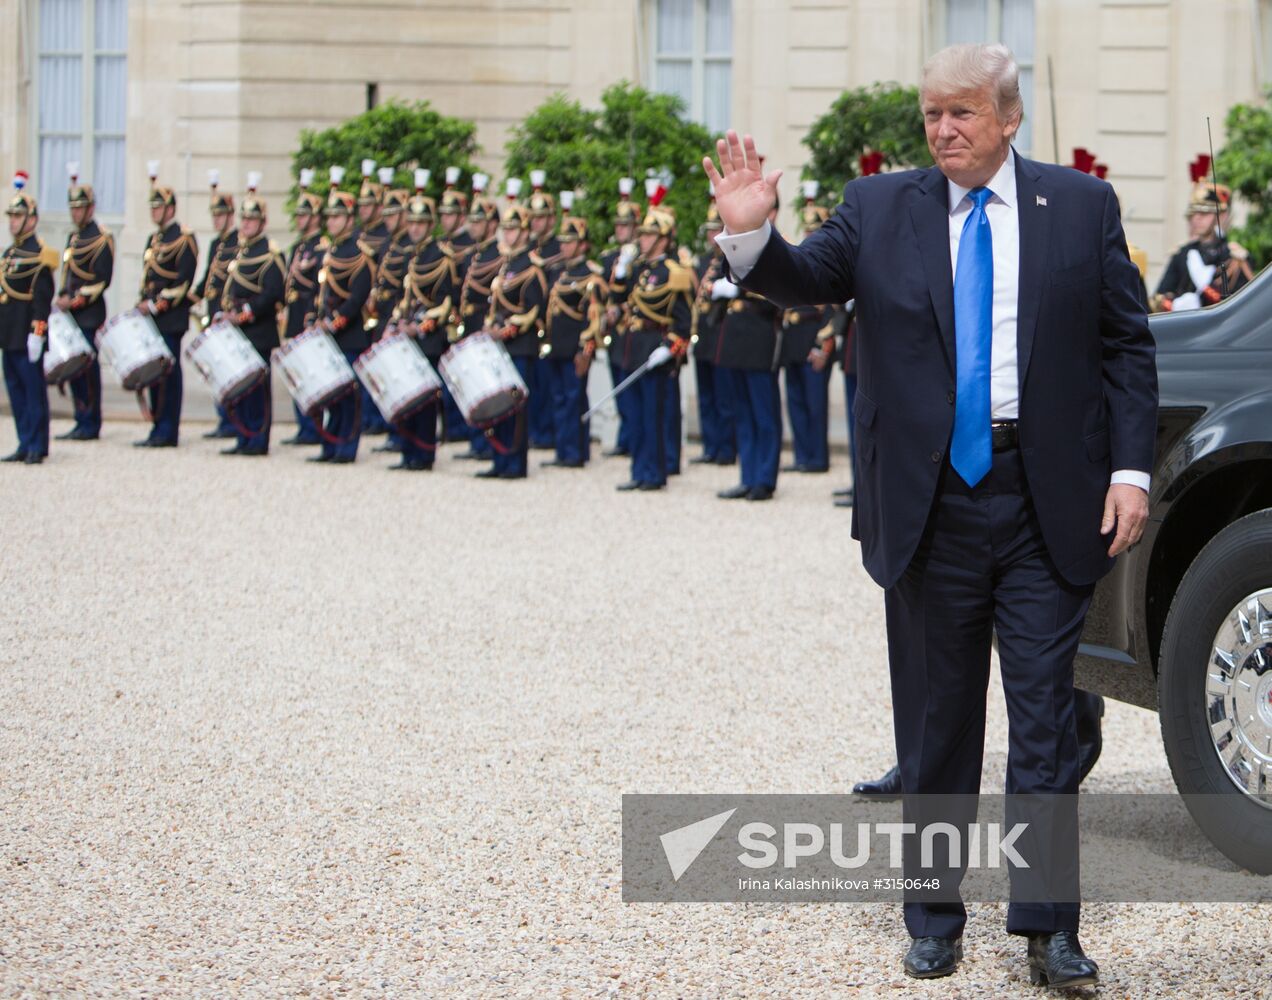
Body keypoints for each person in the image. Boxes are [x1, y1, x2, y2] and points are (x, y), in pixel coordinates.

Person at [706, 42, 1157, 987]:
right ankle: (935, 916)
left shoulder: (1080, 208)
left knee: (1045, 722)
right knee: (938, 722)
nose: (943, 130)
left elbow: (1125, 345)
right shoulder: (880, 207)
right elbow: (804, 276)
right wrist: (751, 239)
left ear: (1007, 117)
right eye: (930, 115)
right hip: (928, 507)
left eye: (961, 113)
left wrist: (1129, 472)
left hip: (1047, 504)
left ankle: (1047, 927)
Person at [613, 197, 693, 492]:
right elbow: (619, 302)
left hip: (655, 345)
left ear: (662, 239)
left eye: (648, 235)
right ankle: (639, 469)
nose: (642, 239)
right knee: (634, 414)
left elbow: (684, 322)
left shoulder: (675, 272)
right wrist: (621, 273)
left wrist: (669, 348)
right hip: (634, 345)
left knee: (652, 415)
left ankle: (655, 472)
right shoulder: (639, 268)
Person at [713, 195, 783, 504]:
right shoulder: (737, 244)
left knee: (763, 411)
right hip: (737, 337)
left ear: (772, 212)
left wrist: (742, 288)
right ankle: (748, 475)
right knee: (742, 410)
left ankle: (764, 479)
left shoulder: (778, 245)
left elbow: (782, 292)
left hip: (759, 336)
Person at [475, 191, 546, 480]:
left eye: (514, 229)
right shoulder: (507, 264)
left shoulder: (531, 267)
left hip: (520, 345)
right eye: (505, 228)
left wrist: (503, 330)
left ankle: (515, 464)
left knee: (515, 409)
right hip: (500, 345)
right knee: (499, 407)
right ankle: (500, 459)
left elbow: (531, 312)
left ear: (526, 232)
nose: (508, 233)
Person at [391, 176, 457, 472]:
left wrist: (418, 326)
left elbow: (443, 304)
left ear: (431, 225)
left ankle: (424, 453)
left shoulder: (440, 257)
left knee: (426, 401)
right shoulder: (411, 255)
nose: (414, 227)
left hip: (427, 337)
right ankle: (408, 452)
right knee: (407, 396)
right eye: (412, 222)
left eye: (420, 223)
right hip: (406, 338)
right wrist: (396, 322)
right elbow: (403, 297)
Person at [217, 174, 284, 456]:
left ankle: (258, 439)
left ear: (262, 223)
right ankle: (244, 436)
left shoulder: (270, 253)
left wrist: (244, 313)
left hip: (258, 330)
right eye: (243, 219)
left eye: (251, 220)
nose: (245, 224)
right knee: (241, 390)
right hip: (239, 332)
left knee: (257, 391)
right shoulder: (241, 251)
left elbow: (271, 294)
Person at [309, 172, 372, 464]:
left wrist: (335, 321)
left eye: (337, 217)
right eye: (329, 217)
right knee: (331, 396)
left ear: (349, 219)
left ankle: (346, 448)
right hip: (329, 335)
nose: (331, 221)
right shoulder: (331, 251)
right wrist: (319, 319)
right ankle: (330, 445)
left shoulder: (359, 253)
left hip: (350, 334)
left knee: (348, 397)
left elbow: (357, 296)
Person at [136, 162, 198, 448]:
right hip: (151, 317)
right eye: (152, 207)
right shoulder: (154, 239)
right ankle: (157, 427)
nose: (155, 212)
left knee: (168, 376)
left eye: (159, 207)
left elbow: (183, 283)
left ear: (171, 209)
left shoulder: (183, 238)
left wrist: (157, 305)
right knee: (153, 376)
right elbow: (148, 276)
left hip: (169, 317)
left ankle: (168, 430)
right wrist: (142, 302)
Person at [55, 162, 114, 442]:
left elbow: (102, 280)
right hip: (71, 314)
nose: (76, 212)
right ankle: (81, 418)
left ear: (90, 208)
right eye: (73, 208)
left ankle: (91, 423)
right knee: (74, 371)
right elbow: (68, 274)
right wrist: (62, 297)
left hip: (89, 313)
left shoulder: (101, 238)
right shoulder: (73, 237)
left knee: (88, 371)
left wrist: (75, 300)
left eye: (80, 207)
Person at [542, 207, 602, 468]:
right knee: (558, 399)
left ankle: (575, 452)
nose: (564, 247)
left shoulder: (591, 276)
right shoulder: (558, 273)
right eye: (563, 242)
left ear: (583, 244)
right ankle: (563, 449)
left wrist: (586, 350)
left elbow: (594, 318)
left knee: (573, 400)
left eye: (570, 242)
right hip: (556, 346)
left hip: (575, 348)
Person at [1, 173, 55, 464]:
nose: (13, 221)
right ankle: (24, 441)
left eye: (18, 216)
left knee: (33, 392)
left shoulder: (40, 254)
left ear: (31, 219)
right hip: (8, 333)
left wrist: (38, 332)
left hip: (27, 333)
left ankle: (37, 444)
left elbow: (42, 299)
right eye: (11, 216)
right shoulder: (9, 253)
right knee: (16, 392)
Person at [452, 177, 503, 461]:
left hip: (485, 325)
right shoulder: (472, 254)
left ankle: (488, 444)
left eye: (478, 221)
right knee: (471, 386)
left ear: (491, 224)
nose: (472, 226)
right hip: (468, 325)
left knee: (487, 388)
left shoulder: (498, 255)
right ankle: (476, 442)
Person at [1152, 174, 1253, 311]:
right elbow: (1158, 297)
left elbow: (1241, 305)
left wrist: (1206, 290)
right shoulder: (1183, 252)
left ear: (1221, 216)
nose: (1197, 218)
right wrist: (1174, 305)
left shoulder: (1234, 257)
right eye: (1194, 213)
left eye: (1205, 213)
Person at [688, 189, 737, 466]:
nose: (711, 236)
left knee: (723, 396)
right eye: (708, 231)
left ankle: (726, 448)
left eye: (715, 229)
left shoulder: (729, 257)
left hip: (721, 332)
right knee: (706, 395)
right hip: (703, 334)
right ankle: (710, 445)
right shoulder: (704, 261)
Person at [279, 168, 326, 446]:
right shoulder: (298, 248)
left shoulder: (321, 249)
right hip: (294, 317)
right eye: (298, 215)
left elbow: (319, 288)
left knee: (311, 374)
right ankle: (303, 426)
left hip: (308, 317)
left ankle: (313, 427)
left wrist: (312, 315)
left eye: (304, 215)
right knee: (297, 374)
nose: (300, 219)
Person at [367, 170, 414, 451]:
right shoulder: (390, 242)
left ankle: (400, 435)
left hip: (397, 317)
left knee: (400, 379)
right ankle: (392, 431)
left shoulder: (409, 246)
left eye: (393, 214)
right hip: (382, 315)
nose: (387, 219)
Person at [191, 169, 238, 439]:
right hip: (211, 313)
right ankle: (223, 419)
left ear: (230, 215)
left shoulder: (235, 243)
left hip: (226, 313)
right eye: (214, 215)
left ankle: (232, 421)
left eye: (221, 215)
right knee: (216, 369)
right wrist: (190, 298)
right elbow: (208, 279)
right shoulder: (214, 245)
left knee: (228, 370)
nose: (217, 219)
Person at [599, 178, 642, 459]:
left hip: (633, 328)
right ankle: (626, 436)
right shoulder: (608, 257)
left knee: (632, 387)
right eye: (618, 225)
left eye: (625, 225)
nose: (620, 229)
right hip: (614, 330)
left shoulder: (639, 257)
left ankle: (632, 438)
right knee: (618, 385)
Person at [527, 169, 564, 451]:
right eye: (533, 217)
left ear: (551, 219)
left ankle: (548, 432)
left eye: (541, 217)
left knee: (551, 388)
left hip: (550, 328)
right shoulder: (528, 249)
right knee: (532, 387)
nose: (535, 222)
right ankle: (535, 430)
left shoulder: (557, 248)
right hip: (528, 327)